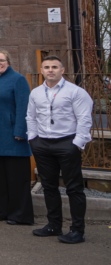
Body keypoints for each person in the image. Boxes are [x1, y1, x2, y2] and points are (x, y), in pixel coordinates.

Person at [28, 56, 93, 244]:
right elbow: (30, 117)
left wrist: (77, 143)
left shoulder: (76, 92)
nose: (50, 70)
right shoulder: (36, 93)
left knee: (74, 188)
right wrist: (33, 138)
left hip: (67, 143)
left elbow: (84, 119)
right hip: (43, 144)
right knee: (49, 186)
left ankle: (77, 230)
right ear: (42, 70)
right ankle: (53, 225)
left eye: (54, 67)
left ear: (62, 70)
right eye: (47, 67)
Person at [0, 49, 34, 226]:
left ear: (8, 61)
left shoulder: (18, 79)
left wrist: (20, 131)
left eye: (1, 60)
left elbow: (24, 107)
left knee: (16, 178)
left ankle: (19, 214)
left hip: (13, 136)